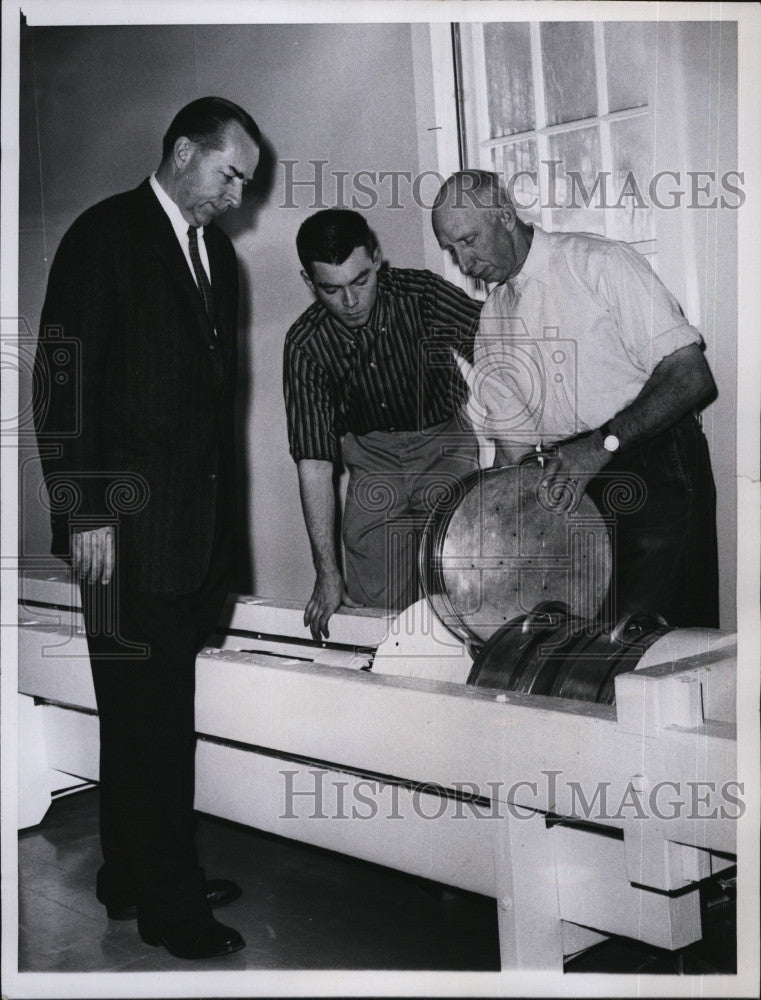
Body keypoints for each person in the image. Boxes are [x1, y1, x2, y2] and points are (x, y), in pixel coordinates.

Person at [33, 97, 261, 959]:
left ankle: (131, 873)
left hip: (190, 536)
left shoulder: (220, 260)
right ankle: (171, 908)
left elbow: (214, 414)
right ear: (180, 152)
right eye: (228, 173)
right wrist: (83, 509)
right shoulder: (105, 234)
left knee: (144, 717)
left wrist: (224, 544)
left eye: (244, 180)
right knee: (154, 722)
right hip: (119, 531)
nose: (236, 195)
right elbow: (62, 382)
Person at [431, 170, 719, 628]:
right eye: (452, 250)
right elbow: (515, 450)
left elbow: (691, 377)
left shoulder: (600, 263)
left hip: (654, 465)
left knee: (650, 647)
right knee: (582, 650)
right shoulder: (492, 319)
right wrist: (487, 536)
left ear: (505, 215)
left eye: (469, 241)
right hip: (569, 482)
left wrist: (599, 447)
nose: (463, 263)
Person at [283, 209, 482, 639]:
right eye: (331, 290)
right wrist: (326, 571)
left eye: (360, 281)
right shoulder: (305, 345)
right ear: (309, 282)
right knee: (377, 611)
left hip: (444, 450)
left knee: (464, 595)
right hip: (372, 466)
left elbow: (497, 346)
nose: (351, 303)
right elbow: (315, 462)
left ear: (376, 259)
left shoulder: (421, 295)